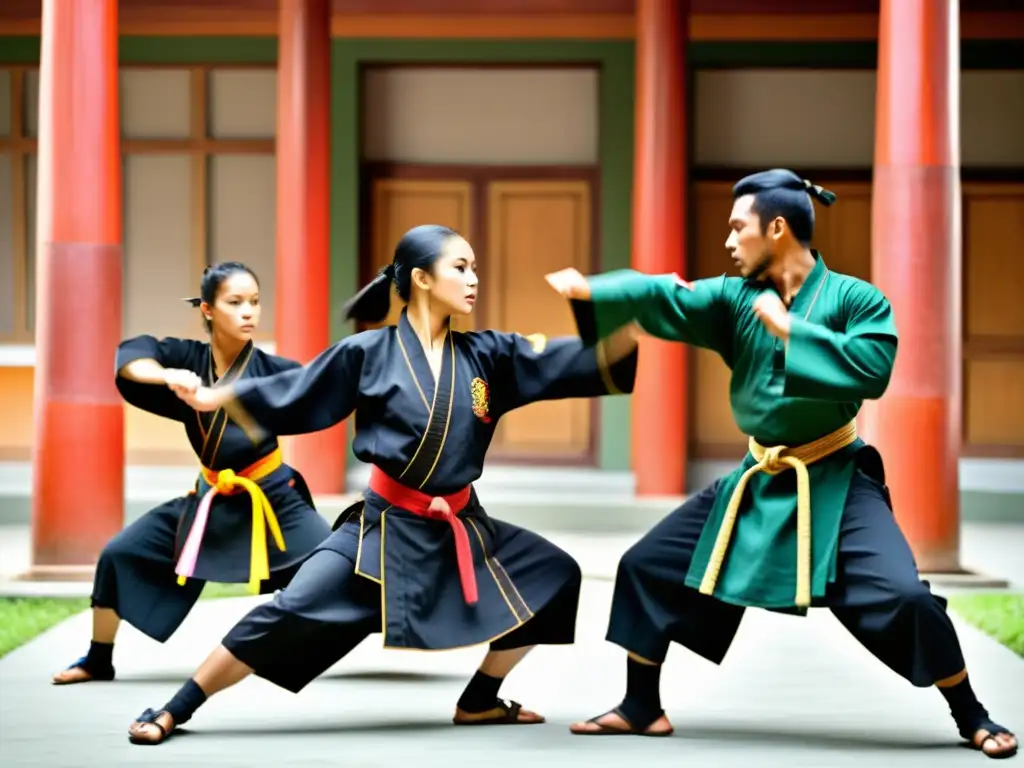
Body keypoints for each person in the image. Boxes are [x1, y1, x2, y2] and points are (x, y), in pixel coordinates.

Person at [547, 169, 1016, 760]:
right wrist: (597, 291)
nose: (728, 241)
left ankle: (971, 713)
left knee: (907, 598)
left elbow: (874, 368)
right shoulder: (734, 297)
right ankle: (642, 705)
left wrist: (793, 330)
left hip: (836, 475)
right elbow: (668, 294)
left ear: (776, 227)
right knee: (646, 565)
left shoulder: (855, 299)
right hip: (758, 475)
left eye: (737, 227)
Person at [124, 224, 640, 745]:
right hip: (382, 531)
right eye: (460, 267)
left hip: (459, 527)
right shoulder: (368, 352)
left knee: (556, 576)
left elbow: (574, 361)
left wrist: (629, 312)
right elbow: (297, 389)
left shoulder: (490, 355)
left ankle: (480, 700)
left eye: (474, 268)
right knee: (287, 610)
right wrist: (215, 397)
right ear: (420, 278)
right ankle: (175, 709)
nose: (473, 279)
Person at [52, 262, 332, 686]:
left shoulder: (275, 370)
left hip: (273, 499)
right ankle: (97, 658)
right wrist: (167, 376)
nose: (248, 312)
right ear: (207, 309)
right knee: (118, 554)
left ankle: (401, 623)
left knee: (339, 569)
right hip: (210, 498)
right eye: (234, 302)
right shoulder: (187, 359)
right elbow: (132, 354)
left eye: (254, 302)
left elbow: (320, 388)